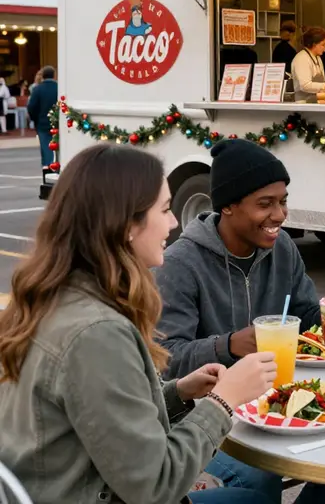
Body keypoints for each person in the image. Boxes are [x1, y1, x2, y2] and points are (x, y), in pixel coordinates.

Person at [0, 142, 279, 503]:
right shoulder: (96, 333)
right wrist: (224, 401)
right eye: (164, 209)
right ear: (126, 224)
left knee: (261, 482)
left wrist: (178, 392)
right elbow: (154, 485)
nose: (175, 221)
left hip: (60, 484)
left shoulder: (55, 295)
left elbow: (96, 413)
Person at [153, 138, 325, 504]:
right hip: (210, 420)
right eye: (265, 204)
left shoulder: (281, 247)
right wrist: (228, 345)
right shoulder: (180, 263)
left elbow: (307, 320)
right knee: (259, 480)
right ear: (229, 206)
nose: (280, 215)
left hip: (280, 403)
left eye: (283, 201)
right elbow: (166, 359)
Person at [291, 26, 325, 103]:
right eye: (323, 45)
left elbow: (321, 81)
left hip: (316, 101)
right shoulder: (302, 58)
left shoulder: (318, 58)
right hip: (303, 104)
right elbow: (305, 85)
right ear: (314, 44)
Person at [26, 65, 58, 168]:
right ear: (54, 76)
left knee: (46, 146)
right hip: (57, 122)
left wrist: (35, 119)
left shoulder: (38, 89)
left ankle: (48, 167)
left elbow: (32, 107)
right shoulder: (59, 88)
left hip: (42, 123)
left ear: (43, 76)